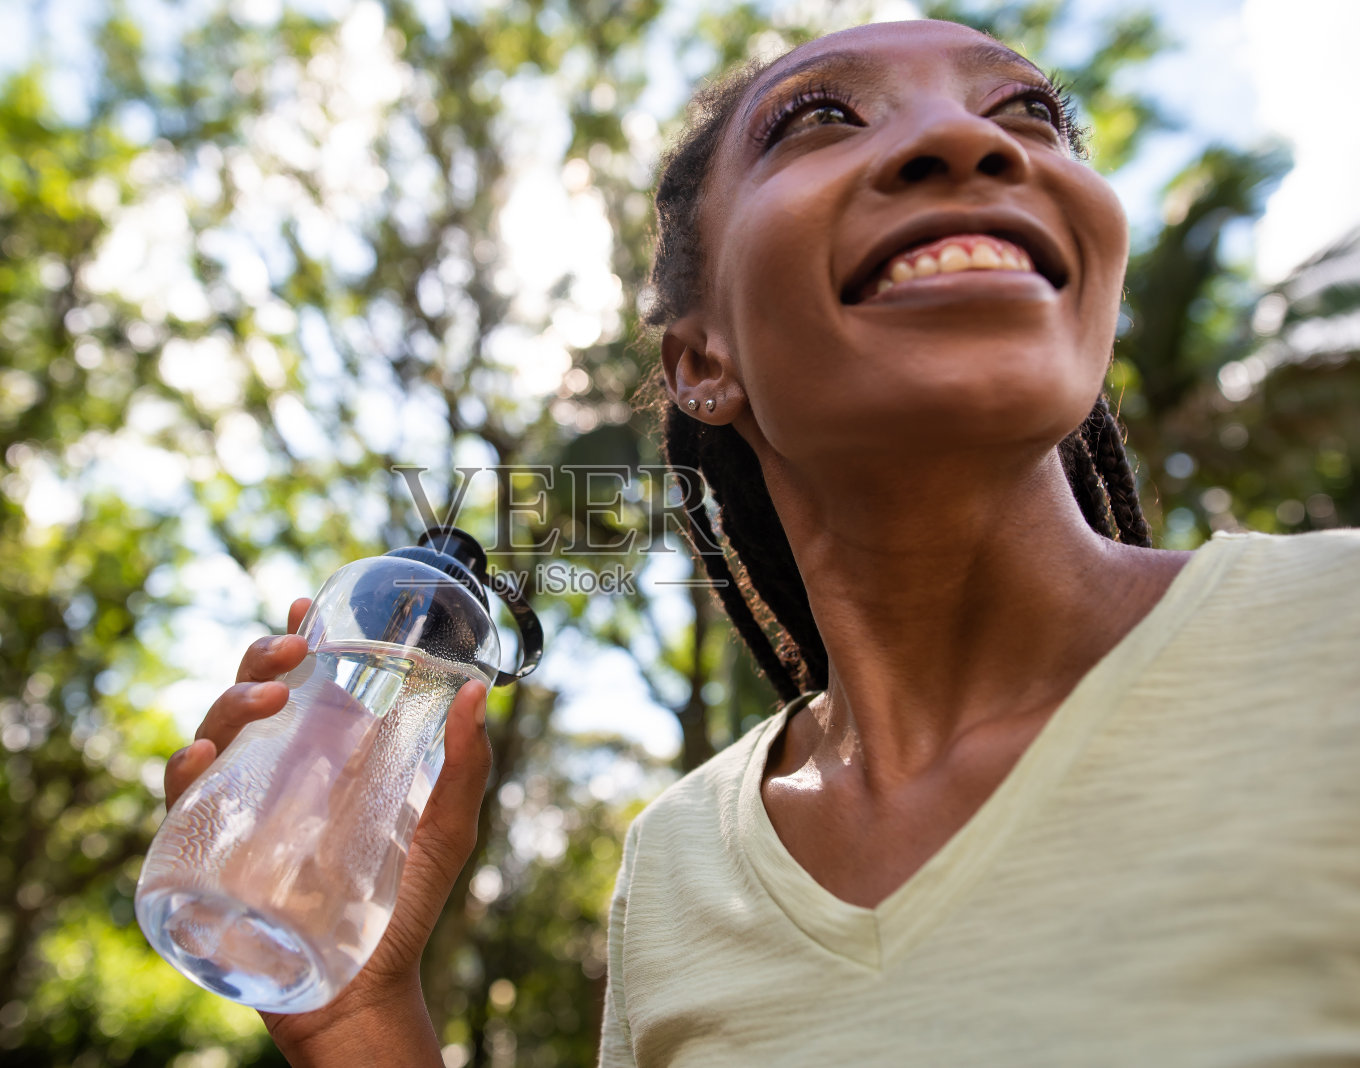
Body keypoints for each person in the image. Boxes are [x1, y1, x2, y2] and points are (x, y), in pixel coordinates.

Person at [164, 18, 1360, 1066]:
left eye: (1029, 114)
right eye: (822, 118)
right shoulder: (682, 867)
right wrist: (358, 1018)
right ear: (701, 363)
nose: (972, 143)